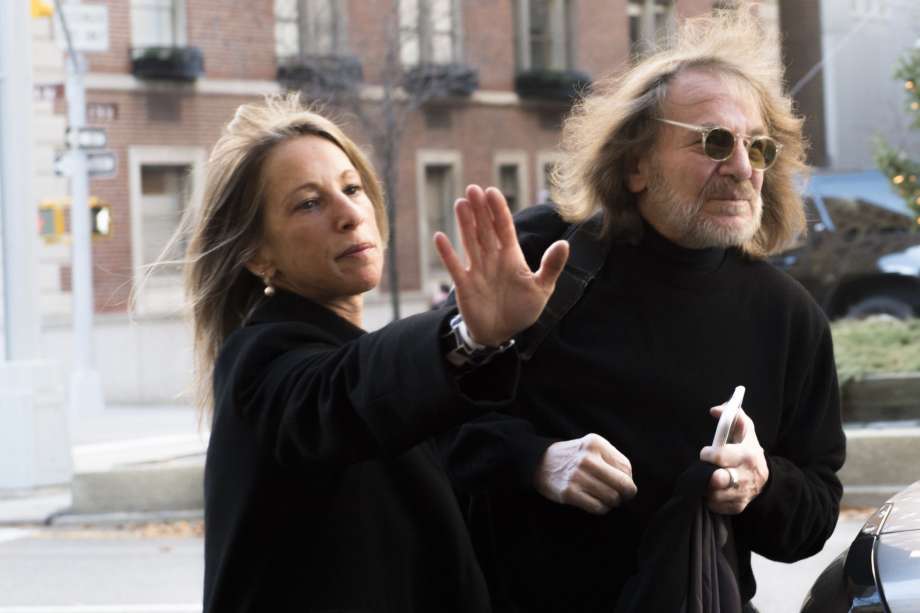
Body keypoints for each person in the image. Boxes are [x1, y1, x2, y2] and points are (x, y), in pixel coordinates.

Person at [444, 9, 845, 612]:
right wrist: (535, 460)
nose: (741, 168)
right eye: (714, 141)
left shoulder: (789, 317)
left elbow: (813, 518)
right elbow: (433, 419)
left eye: (758, 147)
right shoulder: (545, 255)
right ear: (635, 165)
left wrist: (762, 484)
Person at [184, 94, 569, 612]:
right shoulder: (259, 359)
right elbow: (347, 394)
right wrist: (466, 336)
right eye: (309, 202)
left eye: (352, 188)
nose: (348, 213)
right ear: (257, 255)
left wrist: (540, 459)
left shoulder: (362, 358)